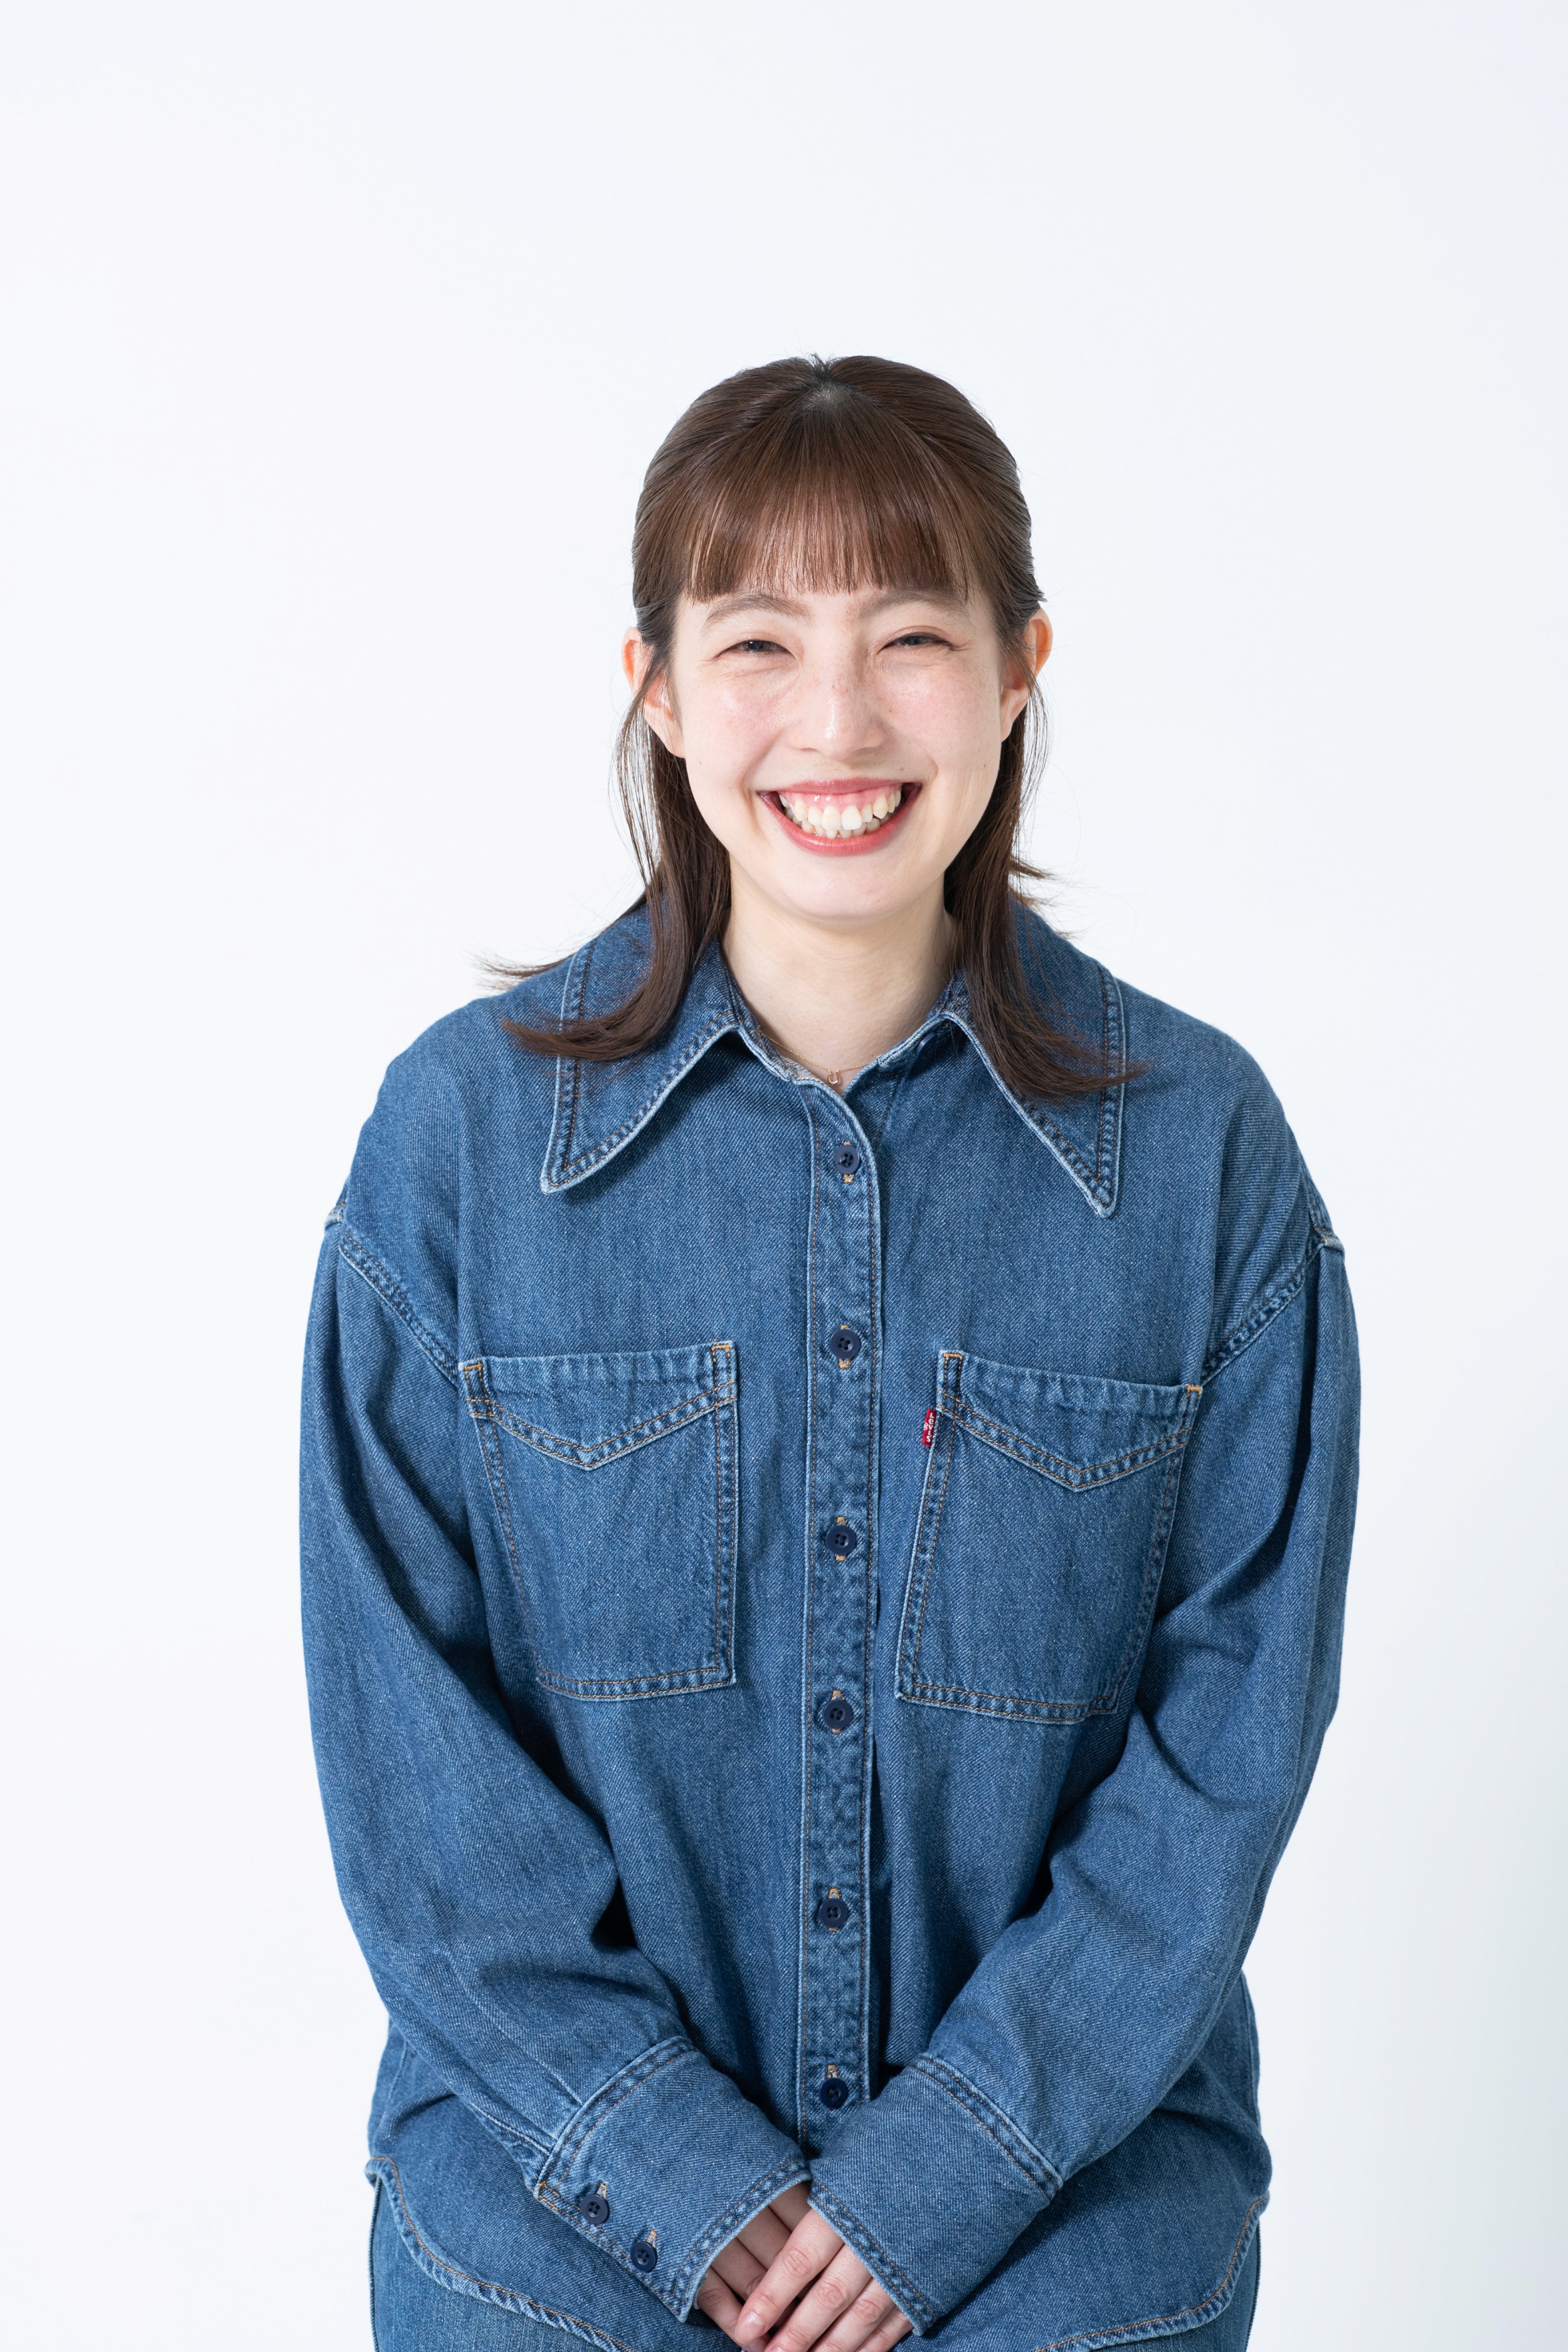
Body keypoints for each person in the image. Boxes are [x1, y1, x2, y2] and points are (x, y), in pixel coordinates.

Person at [300, 354, 1359, 2352]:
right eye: (761, 640)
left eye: (914, 638)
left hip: (1071, 2182)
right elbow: (413, 1775)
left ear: (1022, 665)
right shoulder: (453, 1151)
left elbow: (1226, 1749)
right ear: (659, 685)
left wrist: (942, 2173)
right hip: (556, 2182)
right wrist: (678, 2174)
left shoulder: (1205, 1159)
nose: (840, 721)